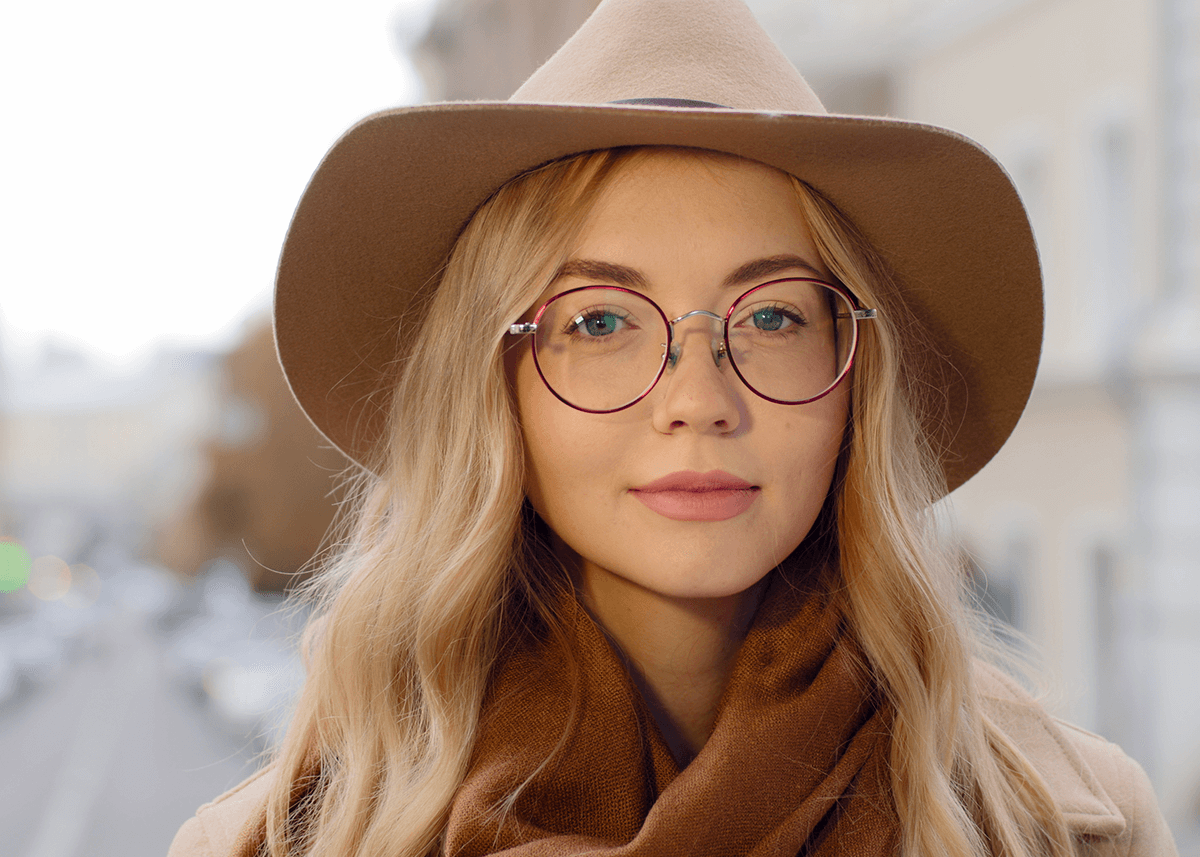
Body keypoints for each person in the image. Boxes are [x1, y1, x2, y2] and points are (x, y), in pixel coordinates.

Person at [169, 0, 1178, 855]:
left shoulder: (1061, 820)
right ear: (493, 383)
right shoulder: (295, 837)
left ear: (856, 378)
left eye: (775, 316)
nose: (699, 396)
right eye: (599, 320)